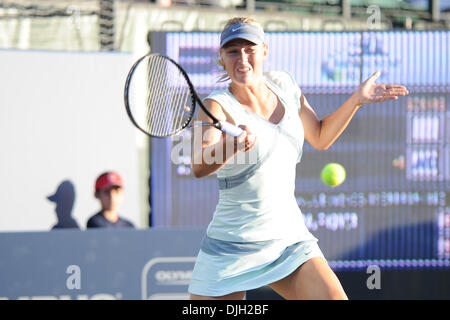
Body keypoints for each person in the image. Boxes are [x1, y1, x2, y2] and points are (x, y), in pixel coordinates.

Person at [188, 17, 408, 300]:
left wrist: (356, 100)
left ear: (264, 50)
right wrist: (230, 145)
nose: (242, 58)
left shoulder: (284, 84)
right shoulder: (214, 106)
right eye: (233, 51)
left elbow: (319, 136)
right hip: (232, 247)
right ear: (221, 58)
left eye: (249, 49)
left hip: (288, 240)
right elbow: (198, 163)